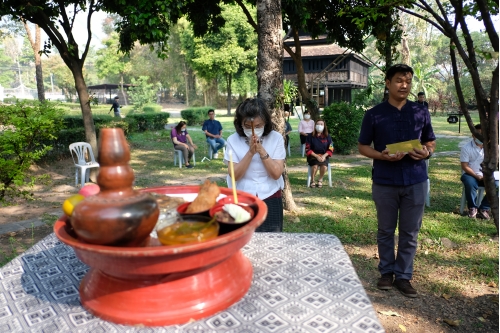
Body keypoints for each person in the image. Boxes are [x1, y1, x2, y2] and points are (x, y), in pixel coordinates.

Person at [358, 64, 436, 298]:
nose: (405, 85)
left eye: (408, 81)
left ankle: (403, 276)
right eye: (400, 80)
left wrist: (426, 153)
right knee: (385, 230)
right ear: (388, 83)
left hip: (415, 180)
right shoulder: (374, 114)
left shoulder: (421, 112)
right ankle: (386, 272)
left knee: (410, 232)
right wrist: (381, 155)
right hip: (385, 180)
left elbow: (430, 141)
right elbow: (363, 146)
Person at [224, 98, 286, 232]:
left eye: (258, 126)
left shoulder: (276, 138)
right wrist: (250, 152)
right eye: (248, 126)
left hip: (271, 195)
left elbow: (276, 173)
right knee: (244, 239)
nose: (253, 131)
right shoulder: (232, 141)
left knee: (272, 240)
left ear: (265, 123)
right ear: (240, 124)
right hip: (242, 196)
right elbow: (234, 175)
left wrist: (261, 150)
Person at [460, 124, 496, 219]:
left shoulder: (491, 148)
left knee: (496, 185)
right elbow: (464, 166)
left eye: (484, 134)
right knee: (470, 183)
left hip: (486, 174)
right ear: (473, 135)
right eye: (479, 134)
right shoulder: (466, 148)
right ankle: (472, 207)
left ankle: (484, 208)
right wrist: (477, 176)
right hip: (470, 174)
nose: (481, 136)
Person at [305, 119, 334, 188]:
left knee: (324, 166)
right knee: (315, 166)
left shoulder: (327, 136)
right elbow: (307, 149)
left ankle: (320, 180)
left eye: (321, 124)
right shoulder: (310, 136)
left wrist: (324, 156)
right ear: (315, 126)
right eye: (318, 124)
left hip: (324, 156)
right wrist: (316, 156)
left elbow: (331, 148)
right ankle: (312, 180)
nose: (319, 126)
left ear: (324, 126)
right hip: (313, 156)